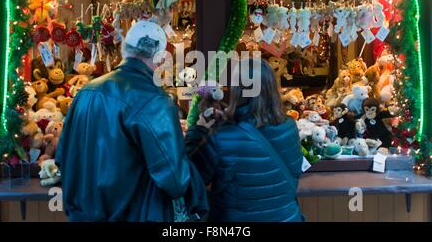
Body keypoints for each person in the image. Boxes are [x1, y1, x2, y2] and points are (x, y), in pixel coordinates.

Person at [55, 20, 208, 221]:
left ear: (124, 48)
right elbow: (175, 180)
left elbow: (61, 158)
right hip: (131, 214)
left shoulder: (86, 92)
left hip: (81, 216)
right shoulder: (154, 100)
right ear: (161, 58)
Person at [186, 58, 305, 222]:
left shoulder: (220, 137)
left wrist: (199, 129)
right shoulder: (289, 127)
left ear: (237, 90)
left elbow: (191, 178)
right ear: (272, 88)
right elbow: (296, 170)